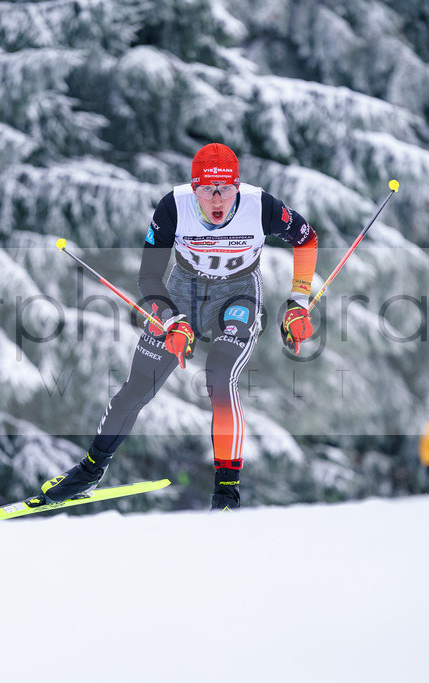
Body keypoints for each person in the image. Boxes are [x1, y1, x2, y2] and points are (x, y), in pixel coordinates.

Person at [40, 142, 319, 510]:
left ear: (238, 186)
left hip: (237, 296)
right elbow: (149, 275)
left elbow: (306, 238)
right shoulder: (174, 206)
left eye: (226, 189)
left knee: (220, 377)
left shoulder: (261, 205)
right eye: (207, 190)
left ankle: (226, 494)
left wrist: (297, 302)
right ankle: (89, 470)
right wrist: (173, 320)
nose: (217, 200)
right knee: (138, 385)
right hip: (182, 292)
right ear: (194, 188)